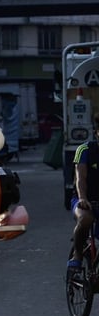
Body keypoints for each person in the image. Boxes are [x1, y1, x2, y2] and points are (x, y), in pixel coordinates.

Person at [69, 112, 99, 271]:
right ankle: (78, 254)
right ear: (96, 133)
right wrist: (82, 198)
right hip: (84, 200)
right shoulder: (85, 149)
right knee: (86, 219)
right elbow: (80, 178)